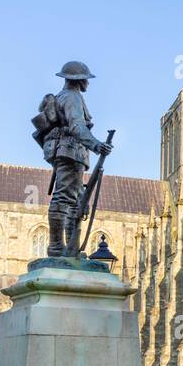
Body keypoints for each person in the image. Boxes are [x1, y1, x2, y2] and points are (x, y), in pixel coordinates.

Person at [43, 61, 113, 256]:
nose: (88, 84)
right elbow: (77, 127)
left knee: (74, 201)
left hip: (67, 151)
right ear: (79, 80)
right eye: (86, 80)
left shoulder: (62, 96)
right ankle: (57, 248)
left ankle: (70, 250)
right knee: (64, 197)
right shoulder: (73, 97)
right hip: (70, 151)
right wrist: (96, 145)